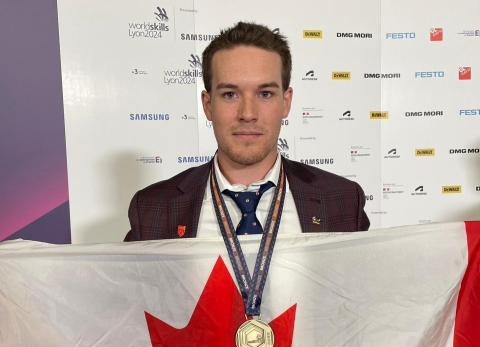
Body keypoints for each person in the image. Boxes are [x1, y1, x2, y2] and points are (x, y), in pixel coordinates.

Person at [125, 22, 369, 241]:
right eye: (230, 94)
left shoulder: (343, 201)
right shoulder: (151, 208)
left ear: (286, 102)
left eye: (265, 94)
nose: (248, 113)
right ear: (208, 106)